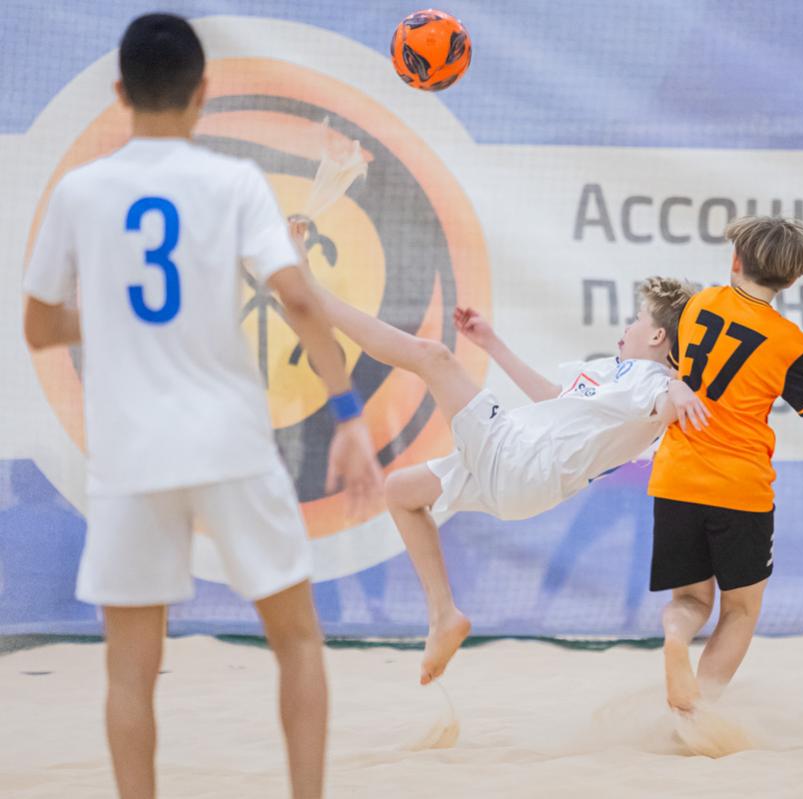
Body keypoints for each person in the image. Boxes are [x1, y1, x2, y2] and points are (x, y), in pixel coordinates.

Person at [22, 14, 383, 799]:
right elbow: (298, 298)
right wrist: (349, 413)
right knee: (297, 642)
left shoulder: (80, 191)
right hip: (229, 443)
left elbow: (39, 327)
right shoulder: (234, 182)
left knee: (129, 671)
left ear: (120, 92)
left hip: (129, 454)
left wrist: (109, 316)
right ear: (203, 93)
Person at [289, 218, 709, 685]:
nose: (625, 328)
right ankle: (444, 616)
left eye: (636, 320)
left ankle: (309, 290)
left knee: (432, 357)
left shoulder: (651, 381)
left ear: (657, 337)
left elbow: (666, 404)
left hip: (522, 464)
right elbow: (552, 397)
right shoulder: (613, 372)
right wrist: (492, 344)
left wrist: (680, 389)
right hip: (521, 475)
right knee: (402, 492)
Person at [646, 216, 803, 712]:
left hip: (675, 478)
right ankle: (698, 714)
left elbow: (672, 371)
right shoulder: (787, 341)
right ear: (793, 279)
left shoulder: (699, 304)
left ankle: (676, 637)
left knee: (690, 601)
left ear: (736, 261)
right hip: (740, 491)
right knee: (739, 611)